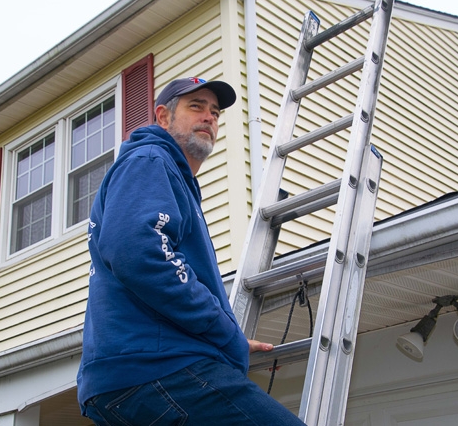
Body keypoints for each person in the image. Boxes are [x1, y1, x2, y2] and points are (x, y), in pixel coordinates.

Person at [77, 77, 306, 425]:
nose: (210, 118)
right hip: (160, 370)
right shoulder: (151, 160)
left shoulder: (170, 177)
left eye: (215, 112)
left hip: (133, 375)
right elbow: (140, 253)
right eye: (196, 106)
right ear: (163, 117)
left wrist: (234, 342)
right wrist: (224, 330)